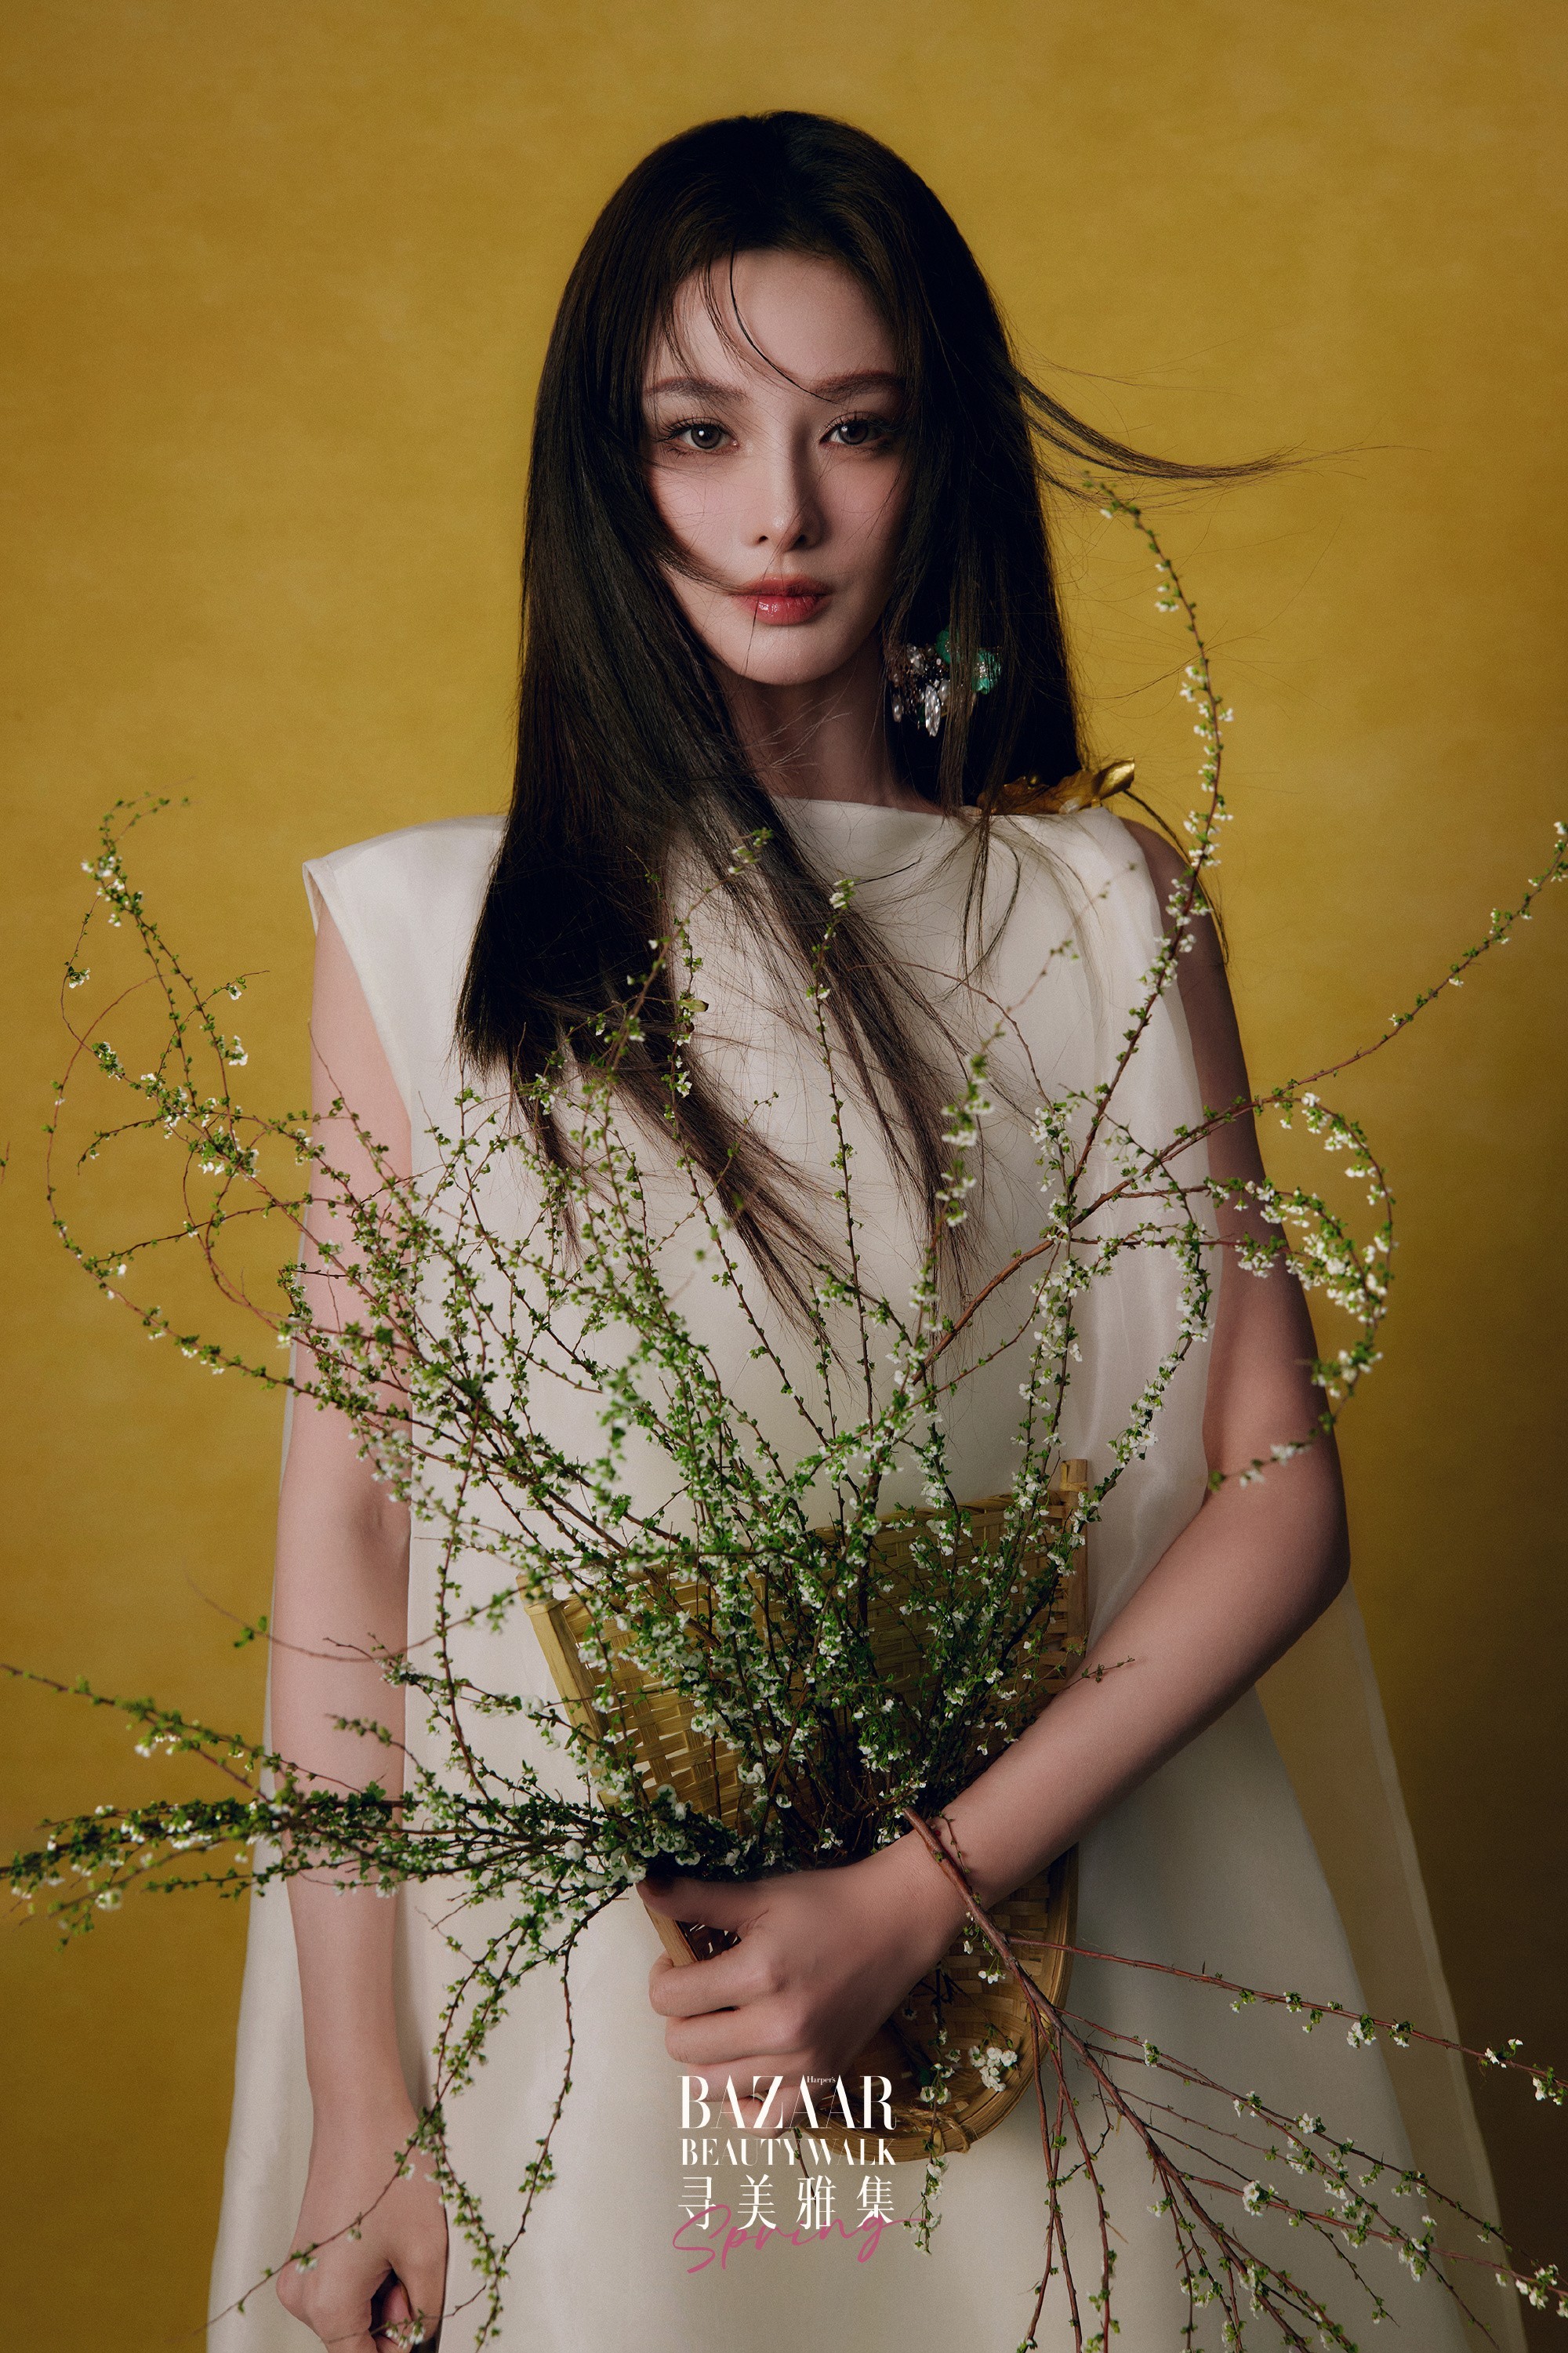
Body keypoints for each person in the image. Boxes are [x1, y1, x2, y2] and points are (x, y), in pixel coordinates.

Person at [209, 112, 1481, 2353]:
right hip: (596, 2010)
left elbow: (1278, 1485)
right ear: (608, 473)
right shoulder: (427, 936)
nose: (780, 514)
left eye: (856, 430)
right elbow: (352, 1536)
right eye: (700, 434)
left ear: (939, 457)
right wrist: (361, 2110)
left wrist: (920, 1897)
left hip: (1060, 1950)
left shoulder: (1102, 909)